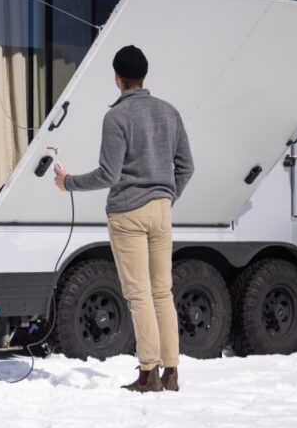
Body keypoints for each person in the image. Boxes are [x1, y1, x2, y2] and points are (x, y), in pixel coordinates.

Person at [54, 45, 194, 393]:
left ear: (117, 79)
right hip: (162, 211)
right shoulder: (169, 112)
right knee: (163, 292)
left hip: (128, 213)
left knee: (139, 295)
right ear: (144, 76)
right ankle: (172, 371)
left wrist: (67, 182)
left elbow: (108, 175)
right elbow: (187, 167)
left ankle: (148, 374)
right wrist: (167, 196)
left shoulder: (116, 118)